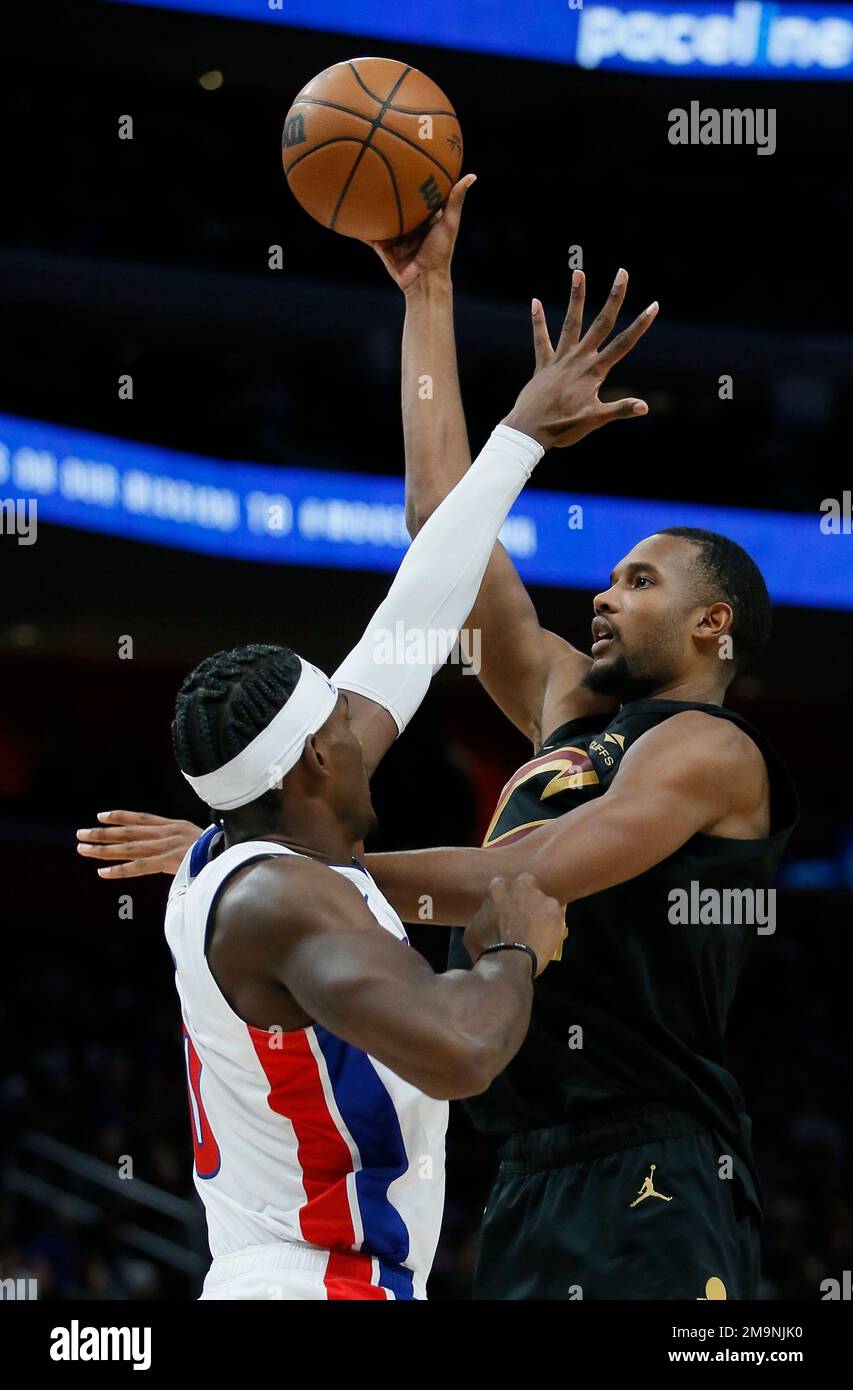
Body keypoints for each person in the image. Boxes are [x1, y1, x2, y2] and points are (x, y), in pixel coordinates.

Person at [79, 249, 658, 1300]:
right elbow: (458, 1049)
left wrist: (516, 426)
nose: (368, 717)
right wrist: (512, 952)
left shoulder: (267, 842)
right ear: (308, 764)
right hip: (312, 1284)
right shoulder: (284, 895)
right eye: (342, 720)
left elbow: (418, 608)